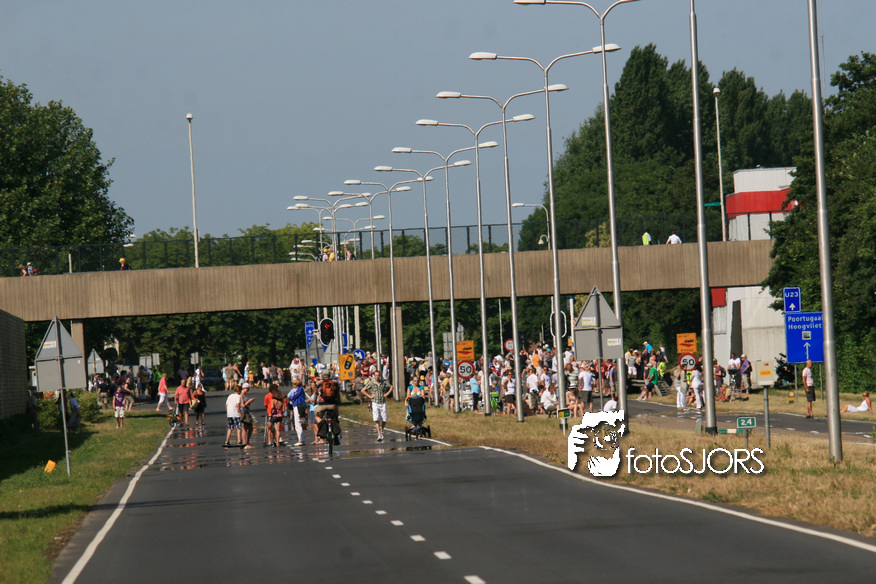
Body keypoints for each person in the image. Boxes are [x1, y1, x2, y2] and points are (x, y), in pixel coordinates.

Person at [363, 371, 392, 442]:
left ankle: (382, 430)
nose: (377, 377)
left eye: (378, 375)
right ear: (374, 376)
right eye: (376, 375)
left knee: (384, 418)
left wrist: (387, 394)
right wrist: (370, 396)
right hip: (375, 402)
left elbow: (391, 387)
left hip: (382, 402)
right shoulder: (372, 383)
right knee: (377, 418)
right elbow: (363, 390)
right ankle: (379, 434)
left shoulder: (383, 382)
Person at [315, 372, 341, 445]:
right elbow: (338, 393)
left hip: (322, 405)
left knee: (317, 416)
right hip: (333, 405)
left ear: (322, 376)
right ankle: (336, 436)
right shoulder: (335, 382)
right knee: (335, 418)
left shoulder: (319, 383)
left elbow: (316, 394)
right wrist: (338, 401)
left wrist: (314, 402)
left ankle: (323, 424)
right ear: (329, 375)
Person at [286, 379, 308, 446]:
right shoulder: (300, 389)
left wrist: (292, 396)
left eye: (294, 384)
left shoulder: (299, 389)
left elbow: (294, 396)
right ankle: (301, 439)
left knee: (297, 422)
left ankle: (300, 440)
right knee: (297, 423)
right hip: (298, 405)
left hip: (298, 405)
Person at [223, 384, 243, 448]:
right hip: (235, 413)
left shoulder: (230, 396)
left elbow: (226, 405)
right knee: (238, 427)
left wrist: (228, 411)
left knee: (230, 428)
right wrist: (239, 412)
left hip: (229, 414)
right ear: (239, 391)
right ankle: (239, 441)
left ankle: (227, 441)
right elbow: (237, 405)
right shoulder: (238, 396)